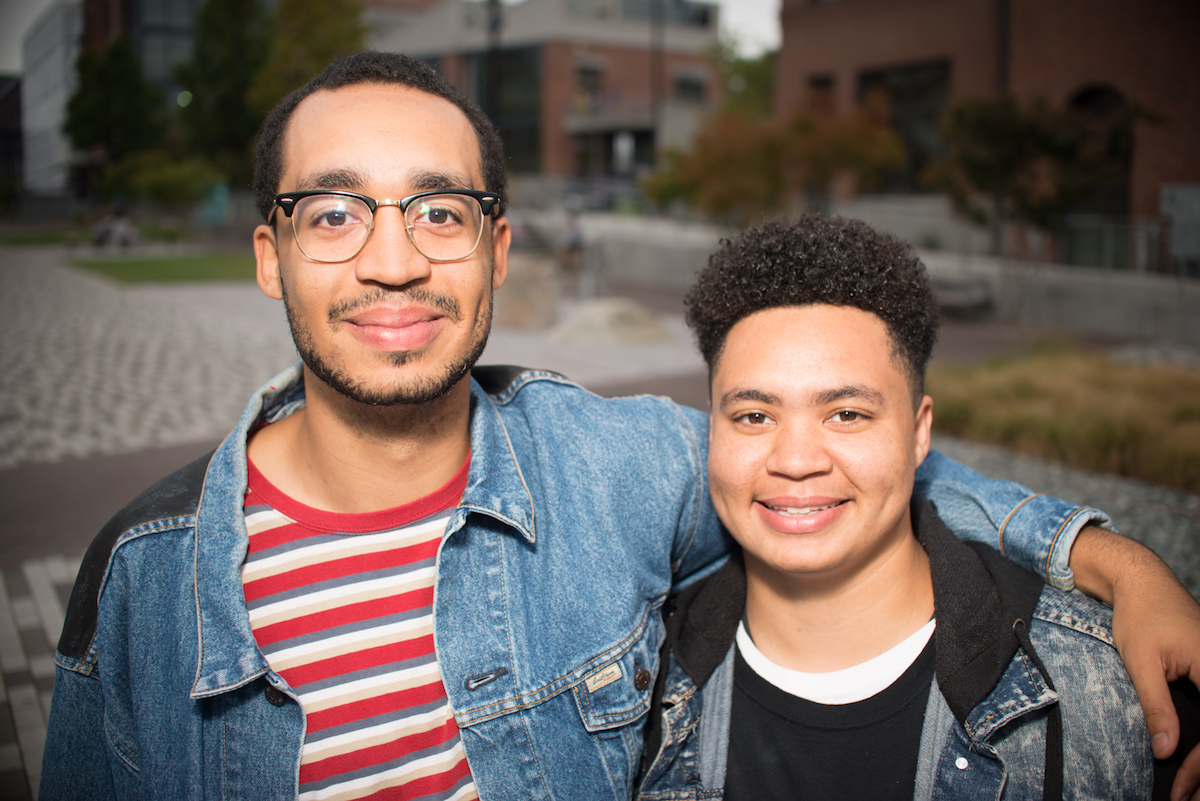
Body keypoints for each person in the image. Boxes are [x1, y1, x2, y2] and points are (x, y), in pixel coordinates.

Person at [39, 53, 1200, 801]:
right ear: (270, 254)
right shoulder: (146, 585)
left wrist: (1106, 556)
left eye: (439, 211)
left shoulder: (620, 468)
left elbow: (828, 478)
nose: (392, 261)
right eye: (334, 213)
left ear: (498, 250)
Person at [637, 215, 1195, 800]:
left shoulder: (1116, 691)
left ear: (919, 432)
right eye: (754, 415)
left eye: (846, 413)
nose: (796, 460)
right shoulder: (639, 685)